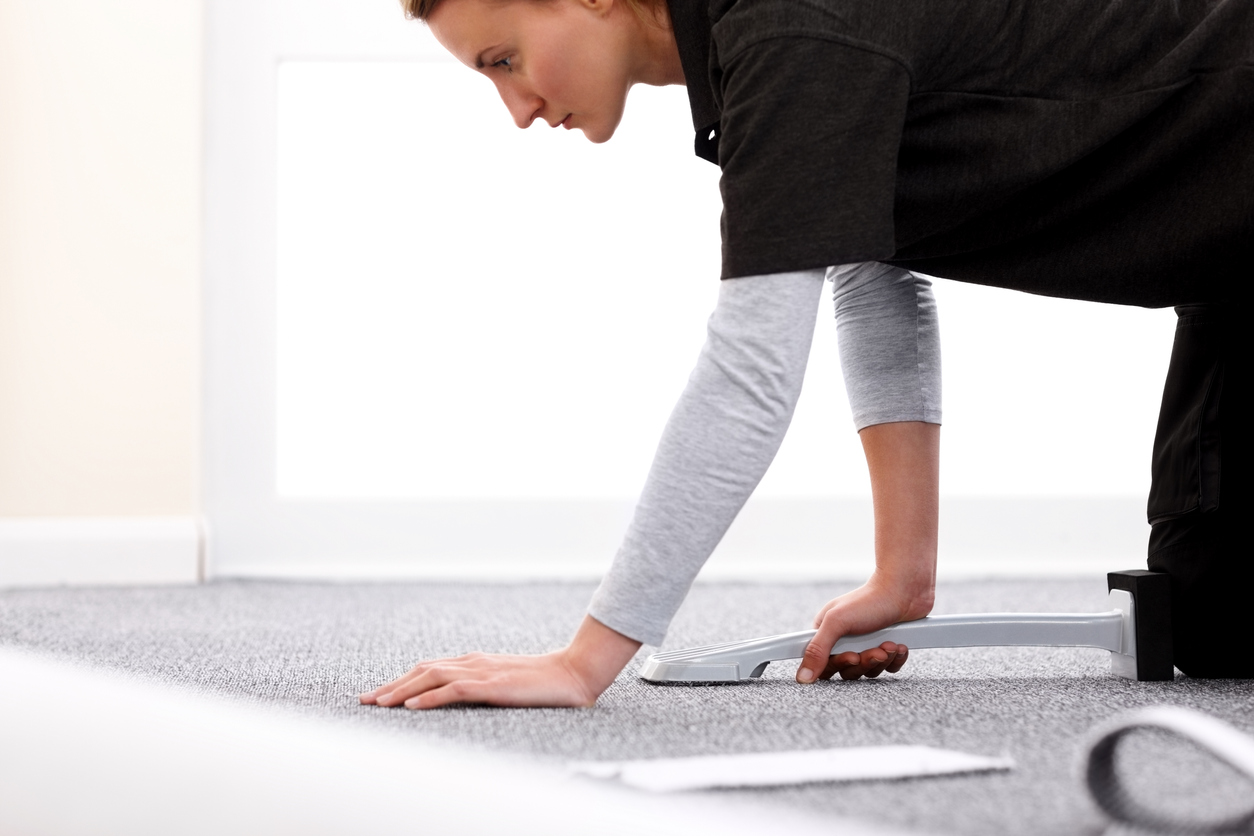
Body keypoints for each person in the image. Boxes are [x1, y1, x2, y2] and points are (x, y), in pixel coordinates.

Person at [360, 0, 1253, 710]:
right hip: (1227, 261)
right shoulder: (765, 46)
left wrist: (586, 660)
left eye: (503, 60)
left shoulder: (792, 31)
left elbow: (749, 378)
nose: (515, 109)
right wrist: (903, 573)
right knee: (1217, 629)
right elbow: (876, 267)